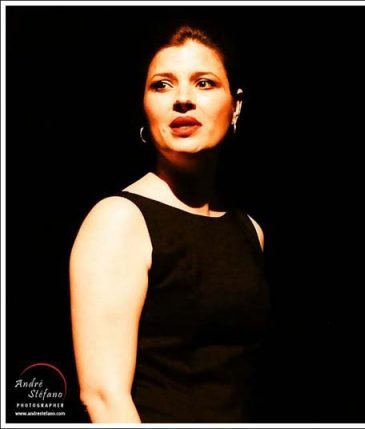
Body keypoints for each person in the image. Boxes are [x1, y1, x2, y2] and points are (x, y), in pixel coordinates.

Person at [69, 23, 269, 423]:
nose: (182, 99)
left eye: (204, 83)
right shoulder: (119, 220)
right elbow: (104, 397)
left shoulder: (249, 230)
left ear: (236, 106)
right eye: (162, 85)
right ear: (144, 107)